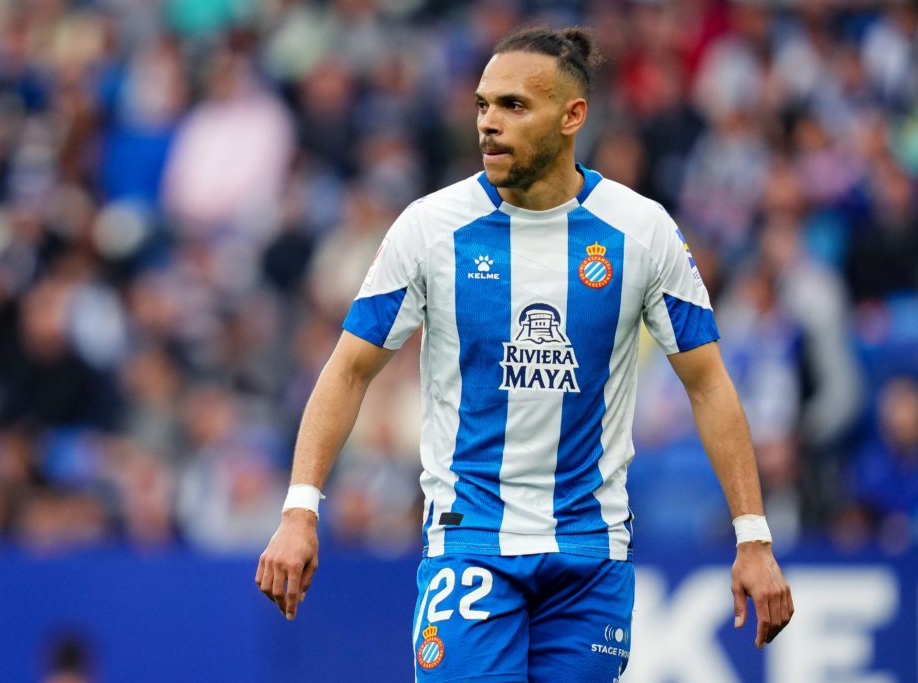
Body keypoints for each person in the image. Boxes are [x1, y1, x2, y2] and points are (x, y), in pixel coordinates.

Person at [257, 26, 793, 681]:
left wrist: (753, 536)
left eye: (513, 105)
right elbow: (348, 368)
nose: (488, 122)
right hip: (471, 541)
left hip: (591, 554)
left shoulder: (641, 231)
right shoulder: (431, 228)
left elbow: (708, 382)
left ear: (573, 116)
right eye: (483, 104)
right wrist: (299, 511)